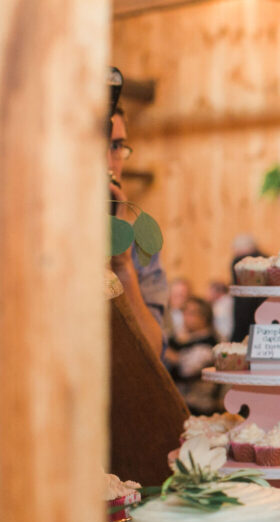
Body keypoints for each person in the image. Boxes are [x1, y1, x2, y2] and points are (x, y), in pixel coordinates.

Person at [109, 106, 168, 356]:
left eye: (116, 146)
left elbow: (152, 354)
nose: (110, 162)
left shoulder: (138, 242)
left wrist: (122, 263)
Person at [164, 296, 219, 415]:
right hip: (176, 402)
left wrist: (165, 352)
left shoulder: (209, 344)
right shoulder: (181, 338)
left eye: (191, 313)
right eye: (184, 311)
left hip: (196, 408)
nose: (185, 317)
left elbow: (186, 370)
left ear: (204, 317)